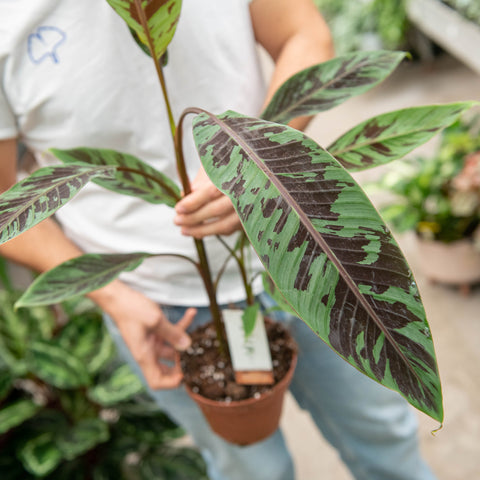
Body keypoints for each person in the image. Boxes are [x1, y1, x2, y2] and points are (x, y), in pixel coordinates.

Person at [0, 0, 437, 479]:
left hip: (309, 249)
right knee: (249, 470)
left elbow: (303, 34)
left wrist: (257, 171)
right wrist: (113, 295)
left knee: (384, 437)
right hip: (161, 310)